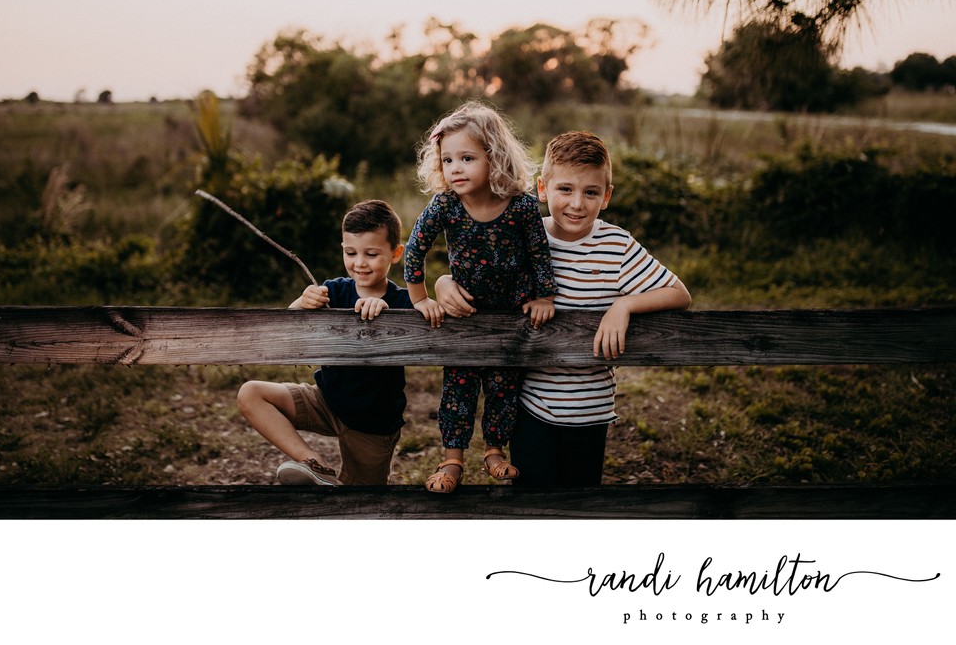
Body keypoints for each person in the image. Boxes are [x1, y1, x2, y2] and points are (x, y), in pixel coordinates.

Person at [434, 130, 691, 488]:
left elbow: (679, 293)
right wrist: (444, 282)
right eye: (565, 189)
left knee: (579, 503)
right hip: (530, 405)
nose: (577, 204)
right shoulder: (523, 234)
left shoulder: (616, 245)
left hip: (592, 409)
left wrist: (624, 305)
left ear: (606, 197)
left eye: (591, 192)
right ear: (543, 189)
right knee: (533, 501)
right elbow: (481, 278)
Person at [404, 101, 557, 493]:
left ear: (495, 157)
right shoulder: (445, 206)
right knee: (458, 388)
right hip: (464, 317)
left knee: (504, 386)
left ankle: (494, 450)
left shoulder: (521, 206)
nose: (455, 168)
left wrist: (543, 296)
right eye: (448, 159)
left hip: (510, 317)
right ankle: (452, 459)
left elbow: (540, 252)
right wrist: (421, 298)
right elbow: (414, 250)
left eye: (467, 157)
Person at [237, 199, 413, 486]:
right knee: (251, 393)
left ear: (395, 253)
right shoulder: (332, 290)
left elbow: (428, 326)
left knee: (359, 506)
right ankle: (314, 463)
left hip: (373, 424)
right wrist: (302, 302)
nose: (359, 263)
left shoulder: (404, 300)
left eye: (371, 254)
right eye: (350, 252)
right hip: (327, 400)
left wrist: (388, 314)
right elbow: (286, 328)